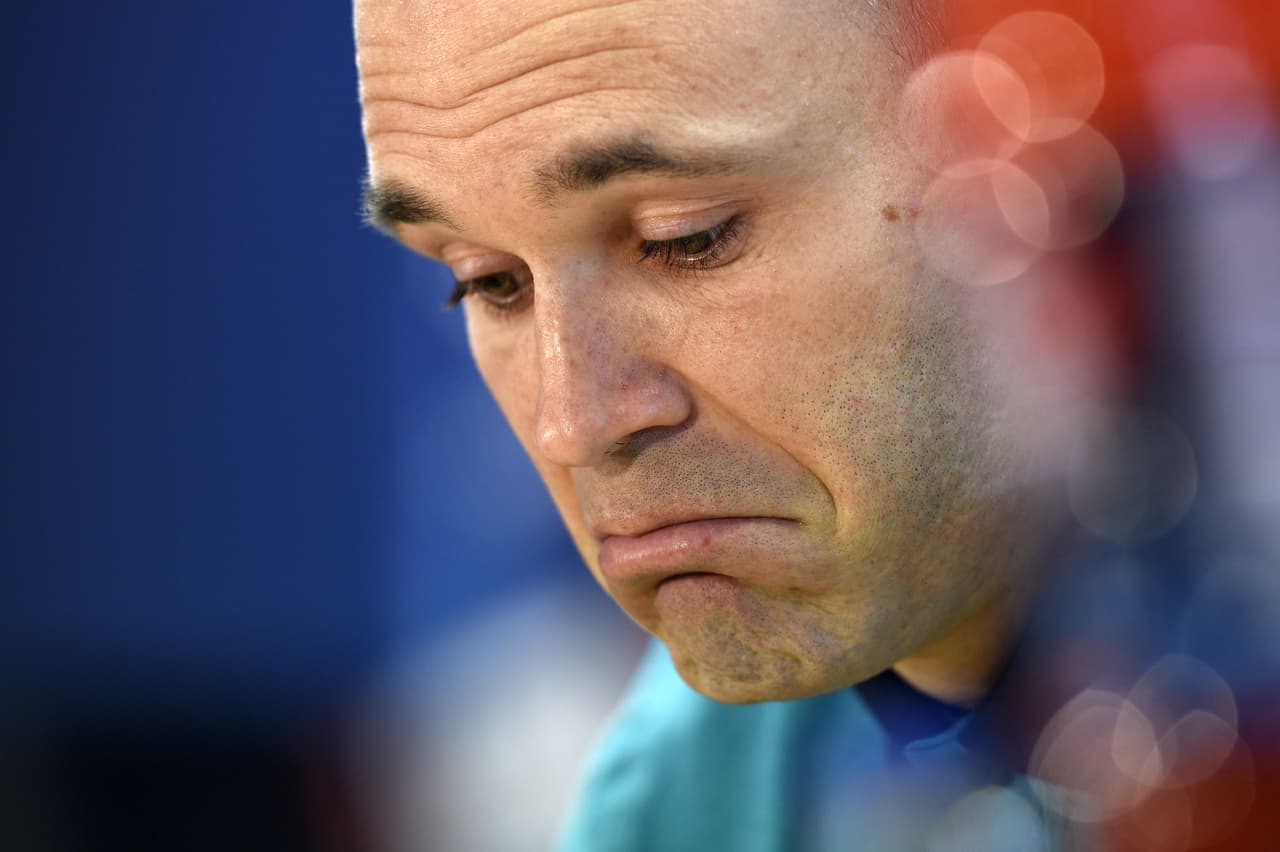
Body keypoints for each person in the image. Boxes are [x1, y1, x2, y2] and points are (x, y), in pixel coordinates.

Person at [354, 0, 1279, 848]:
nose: (573, 423)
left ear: (1044, 197)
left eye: (688, 236)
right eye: (486, 280)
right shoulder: (675, 800)